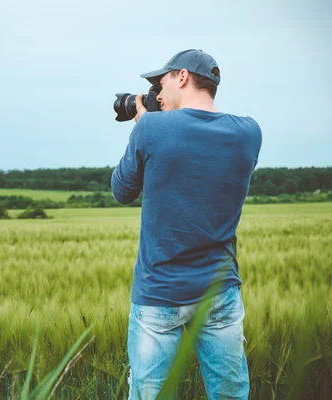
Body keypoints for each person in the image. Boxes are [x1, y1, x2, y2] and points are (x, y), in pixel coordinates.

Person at [111, 49, 262, 399]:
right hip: (220, 292)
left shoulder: (151, 126)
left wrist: (141, 124)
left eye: (160, 83)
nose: (157, 94)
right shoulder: (249, 132)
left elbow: (122, 191)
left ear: (182, 77)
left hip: (159, 292)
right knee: (230, 395)